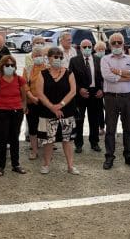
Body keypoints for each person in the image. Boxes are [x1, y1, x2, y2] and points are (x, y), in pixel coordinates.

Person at [35, 47, 79, 175]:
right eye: (55, 57)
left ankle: (70, 166)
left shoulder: (69, 73)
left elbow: (73, 91)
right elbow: (39, 93)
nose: (58, 59)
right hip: (47, 112)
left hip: (67, 111)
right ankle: (46, 164)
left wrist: (60, 105)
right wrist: (52, 107)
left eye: (60, 57)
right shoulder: (42, 74)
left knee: (67, 140)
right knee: (48, 140)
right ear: (49, 58)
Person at [100, 33, 130, 170]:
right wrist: (126, 75)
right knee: (110, 129)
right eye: (114, 42)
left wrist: (118, 71)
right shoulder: (105, 59)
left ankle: (129, 156)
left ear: (124, 44)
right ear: (110, 45)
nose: (117, 45)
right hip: (111, 98)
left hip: (127, 97)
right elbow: (107, 76)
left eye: (119, 42)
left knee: (129, 128)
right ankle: (109, 157)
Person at [0, 55, 28, 176]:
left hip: (16, 112)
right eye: (7, 65)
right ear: (2, 67)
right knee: (1, 140)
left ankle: (15, 164)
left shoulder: (20, 80)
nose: (10, 67)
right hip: (2, 112)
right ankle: (0, 166)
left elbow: (24, 96)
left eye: (12, 65)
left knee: (14, 139)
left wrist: (22, 107)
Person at [68, 39, 104, 153]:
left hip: (95, 93)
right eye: (84, 47)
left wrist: (102, 90)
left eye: (89, 46)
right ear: (80, 48)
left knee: (94, 120)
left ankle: (94, 142)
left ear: (92, 47)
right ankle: (78, 144)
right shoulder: (74, 61)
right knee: (79, 120)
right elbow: (71, 79)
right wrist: (79, 90)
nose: (87, 49)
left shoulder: (98, 60)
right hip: (80, 95)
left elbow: (104, 78)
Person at [24, 48, 47, 160]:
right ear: (32, 57)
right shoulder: (28, 69)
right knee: (32, 127)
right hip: (31, 102)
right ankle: (34, 150)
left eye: (40, 55)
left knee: (45, 127)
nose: (38, 57)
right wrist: (31, 97)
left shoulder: (48, 68)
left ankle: (47, 151)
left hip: (45, 103)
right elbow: (24, 85)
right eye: (35, 55)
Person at [94, 41, 108, 135]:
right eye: (99, 49)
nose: (101, 51)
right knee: (98, 108)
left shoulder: (107, 59)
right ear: (95, 50)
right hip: (97, 87)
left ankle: (109, 126)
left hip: (107, 86)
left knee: (108, 108)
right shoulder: (93, 59)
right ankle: (101, 127)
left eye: (102, 49)